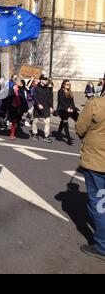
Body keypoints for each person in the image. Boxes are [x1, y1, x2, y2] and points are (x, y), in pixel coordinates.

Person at [75, 84, 105, 261]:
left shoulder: (96, 104)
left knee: (99, 205)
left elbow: (79, 128)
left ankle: (102, 245)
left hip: (97, 162)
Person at [56, 80, 79, 145]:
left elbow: (72, 102)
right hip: (62, 110)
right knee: (65, 122)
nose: (69, 86)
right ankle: (68, 139)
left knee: (78, 118)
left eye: (69, 84)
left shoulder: (70, 92)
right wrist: (67, 109)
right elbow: (61, 102)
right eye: (67, 84)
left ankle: (58, 134)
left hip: (70, 109)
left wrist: (74, 109)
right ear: (63, 85)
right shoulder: (60, 91)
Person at [32, 75, 53, 143]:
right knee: (36, 121)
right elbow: (35, 97)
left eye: (46, 79)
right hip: (38, 108)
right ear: (41, 80)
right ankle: (35, 133)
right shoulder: (36, 88)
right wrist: (38, 104)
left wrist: (51, 107)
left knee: (48, 121)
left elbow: (50, 98)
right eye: (45, 79)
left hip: (46, 107)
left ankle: (46, 136)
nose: (46, 81)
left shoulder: (48, 89)